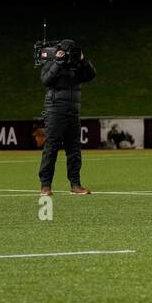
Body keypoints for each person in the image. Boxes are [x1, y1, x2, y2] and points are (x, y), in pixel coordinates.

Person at [38, 38, 96, 196]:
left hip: (73, 112)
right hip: (55, 110)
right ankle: (45, 185)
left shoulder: (77, 64)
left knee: (74, 150)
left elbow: (91, 75)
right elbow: (45, 80)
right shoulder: (52, 61)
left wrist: (83, 60)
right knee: (51, 148)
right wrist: (58, 62)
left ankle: (75, 184)